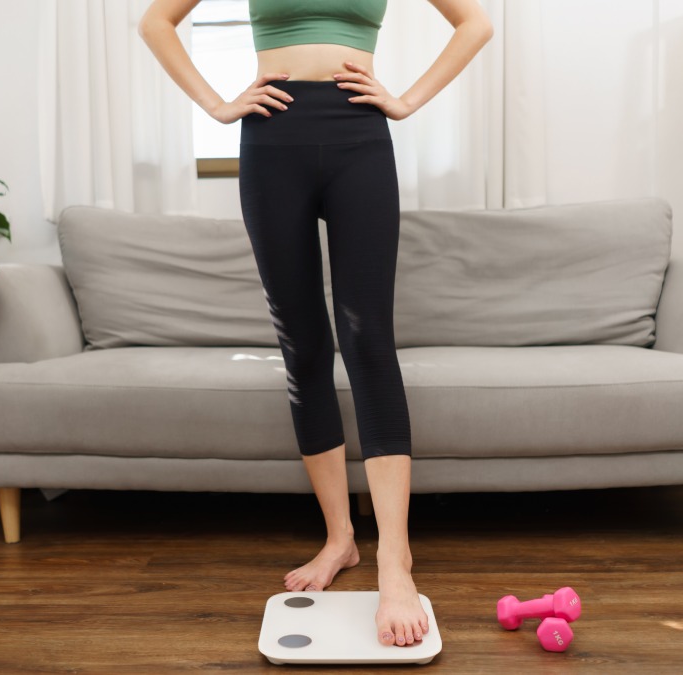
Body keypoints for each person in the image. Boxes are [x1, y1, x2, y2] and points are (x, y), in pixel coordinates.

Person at [138, 0, 493, 648]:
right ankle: (340, 539)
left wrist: (406, 100)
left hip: (359, 133)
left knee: (368, 342)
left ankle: (395, 558)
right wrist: (218, 106)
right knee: (302, 344)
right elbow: (155, 21)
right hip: (271, 138)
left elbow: (476, 22)